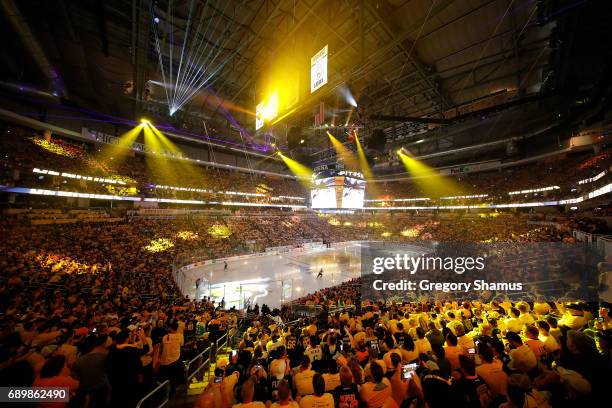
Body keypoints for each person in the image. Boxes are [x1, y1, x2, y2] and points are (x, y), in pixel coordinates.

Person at [106, 329, 149, 407]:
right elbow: (146, 349)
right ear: (126, 338)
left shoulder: (113, 350)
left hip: (116, 380)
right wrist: (143, 337)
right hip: (129, 380)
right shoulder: (131, 350)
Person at [71, 334, 109, 408]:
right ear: (104, 343)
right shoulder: (105, 357)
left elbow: (76, 378)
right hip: (100, 389)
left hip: (85, 390)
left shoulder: (79, 360)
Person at [159, 320, 184, 394]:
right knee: (173, 378)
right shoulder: (180, 336)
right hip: (175, 360)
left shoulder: (164, 337)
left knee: (166, 378)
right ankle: (173, 389)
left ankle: (166, 392)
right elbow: (182, 344)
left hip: (164, 361)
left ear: (170, 328)